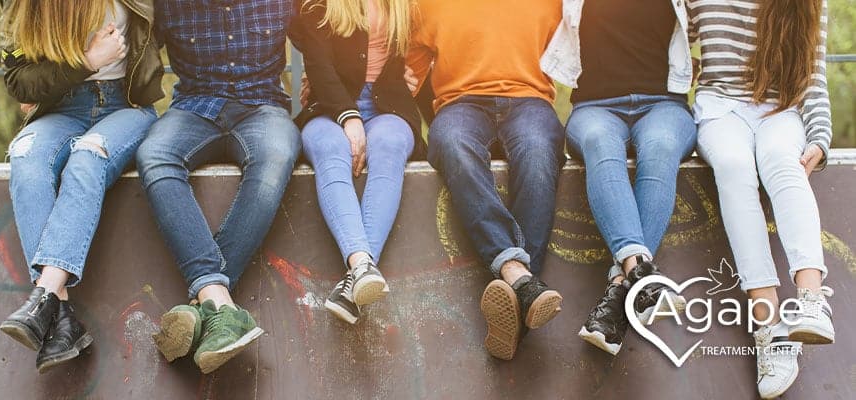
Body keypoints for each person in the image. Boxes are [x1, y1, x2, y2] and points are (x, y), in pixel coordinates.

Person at [0, 0, 162, 373]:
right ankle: (62, 319)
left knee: (88, 157)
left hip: (126, 107)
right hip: (61, 110)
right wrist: (87, 62)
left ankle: (44, 296)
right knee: (24, 155)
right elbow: (18, 81)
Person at [139, 0, 301, 374]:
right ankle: (220, 302)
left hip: (262, 106)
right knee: (155, 155)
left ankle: (204, 304)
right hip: (193, 108)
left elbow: (327, 33)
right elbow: (134, 54)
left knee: (275, 156)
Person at [689, 0, 834, 398]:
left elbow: (813, 75)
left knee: (784, 163)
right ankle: (768, 327)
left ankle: (812, 300)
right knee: (734, 167)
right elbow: (673, 46)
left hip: (780, 109)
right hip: (719, 107)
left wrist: (820, 137)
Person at [407, 0, 565, 360]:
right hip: (460, 104)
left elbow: (583, 49)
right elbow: (404, 74)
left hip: (529, 101)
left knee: (539, 151)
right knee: (452, 143)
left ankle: (516, 291)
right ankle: (519, 278)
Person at [540, 0, 695, 356]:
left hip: (664, 105)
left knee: (660, 147)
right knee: (599, 142)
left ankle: (622, 287)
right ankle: (641, 279)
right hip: (594, 107)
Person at [289, 0, 423, 324]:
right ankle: (362, 265)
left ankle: (356, 281)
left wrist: (416, 72)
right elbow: (318, 64)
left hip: (387, 107)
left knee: (389, 146)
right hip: (329, 104)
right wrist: (348, 116)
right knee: (331, 148)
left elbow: (435, 41)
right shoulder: (319, 5)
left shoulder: (405, 5)